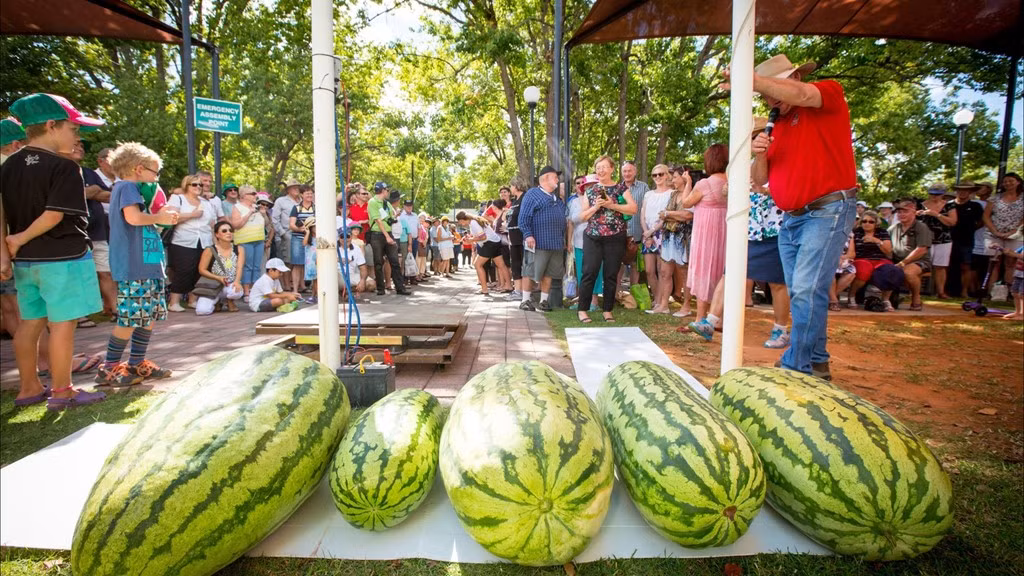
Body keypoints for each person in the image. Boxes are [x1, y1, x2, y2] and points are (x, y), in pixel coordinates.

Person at [726, 53, 858, 380]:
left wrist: (748, 79)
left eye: (772, 90)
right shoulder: (776, 125)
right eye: (764, 95)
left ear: (795, 77)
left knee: (804, 289)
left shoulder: (827, 93)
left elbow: (800, 96)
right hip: (791, 217)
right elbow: (760, 180)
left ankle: (795, 366)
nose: (770, 100)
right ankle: (817, 361)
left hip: (828, 207)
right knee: (804, 290)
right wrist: (759, 154)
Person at [2, 94, 108, 408]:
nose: (77, 136)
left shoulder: (9, 166)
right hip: (63, 258)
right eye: (73, 128)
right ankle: (63, 390)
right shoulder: (65, 167)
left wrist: (5, 251)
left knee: (30, 322)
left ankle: (29, 388)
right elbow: (54, 214)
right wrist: (19, 238)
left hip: (25, 263)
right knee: (62, 324)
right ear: (51, 125)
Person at [98, 141, 179, 388]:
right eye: (155, 172)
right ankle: (110, 367)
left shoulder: (134, 189)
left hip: (148, 265)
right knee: (132, 318)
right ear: (138, 168)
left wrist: (158, 219)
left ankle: (137, 362)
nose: (156, 178)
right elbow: (132, 218)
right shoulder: (127, 187)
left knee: (147, 316)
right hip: (134, 266)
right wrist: (159, 217)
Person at [576, 155, 637, 323]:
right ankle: (583, 310)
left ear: (611, 169)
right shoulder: (591, 190)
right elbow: (582, 217)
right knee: (589, 273)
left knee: (611, 274)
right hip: (593, 237)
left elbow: (633, 209)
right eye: (598, 167)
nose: (601, 170)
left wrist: (611, 205)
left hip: (615, 237)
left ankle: (608, 310)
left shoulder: (620, 188)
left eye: (604, 167)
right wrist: (596, 206)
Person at [681, 144, 728, 327]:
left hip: (706, 232)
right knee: (721, 271)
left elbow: (686, 203)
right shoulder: (731, 181)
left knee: (704, 270)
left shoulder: (704, 183)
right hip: (725, 229)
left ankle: (700, 318)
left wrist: (688, 184)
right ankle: (719, 319)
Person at [518, 166, 568, 312]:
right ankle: (525, 300)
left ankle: (543, 302)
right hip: (537, 242)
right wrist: (528, 234)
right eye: (555, 177)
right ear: (545, 178)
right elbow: (523, 217)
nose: (557, 180)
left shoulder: (556, 198)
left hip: (555, 243)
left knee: (550, 273)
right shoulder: (532, 194)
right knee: (530, 270)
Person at [166, 174, 217, 311]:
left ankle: (192, 299)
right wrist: (192, 215)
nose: (198, 187)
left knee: (199, 271)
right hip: (183, 240)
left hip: (204, 241)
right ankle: (174, 302)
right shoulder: (178, 199)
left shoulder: (206, 203)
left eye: (200, 185)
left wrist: (215, 244)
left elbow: (211, 225)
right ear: (186, 185)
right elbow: (171, 218)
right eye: (194, 184)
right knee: (183, 270)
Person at [80, 146, 116, 316]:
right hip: (76, 233)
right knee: (80, 275)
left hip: (98, 231)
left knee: (106, 271)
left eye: (82, 145)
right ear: (100, 161)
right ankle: (80, 314)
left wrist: (91, 191)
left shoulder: (87, 172)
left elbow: (108, 195)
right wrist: (91, 191)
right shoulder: (58, 169)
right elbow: (66, 194)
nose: (80, 147)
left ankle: (114, 309)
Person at [660, 166, 695, 318]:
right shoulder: (673, 195)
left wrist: (669, 214)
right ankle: (663, 305)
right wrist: (672, 215)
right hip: (669, 236)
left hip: (685, 237)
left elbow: (688, 215)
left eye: (674, 177)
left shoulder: (693, 194)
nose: (672, 180)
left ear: (684, 177)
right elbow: (663, 215)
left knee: (684, 272)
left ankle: (686, 306)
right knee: (664, 271)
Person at [639, 164, 673, 312]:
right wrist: (647, 232)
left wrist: (653, 231)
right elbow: (642, 214)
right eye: (655, 175)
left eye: (660, 174)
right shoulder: (648, 194)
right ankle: (657, 298)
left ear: (666, 175)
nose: (658, 177)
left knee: (662, 269)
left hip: (662, 233)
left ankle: (661, 302)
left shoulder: (672, 193)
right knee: (649, 270)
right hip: (648, 234)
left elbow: (667, 216)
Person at [982, 172, 1023, 290]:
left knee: (1011, 262)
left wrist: (1013, 232)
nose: (1008, 183)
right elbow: (986, 216)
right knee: (994, 262)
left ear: (1018, 182)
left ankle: (1011, 291)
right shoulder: (994, 198)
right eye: (1005, 181)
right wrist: (995, 232)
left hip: (1016, 235)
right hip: (993, 234)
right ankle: (991, 291)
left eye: (1011, 181)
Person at [367, 182, 410, 295]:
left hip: (389, 233)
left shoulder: (387, 203)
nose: (388, 192)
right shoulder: (372, 202)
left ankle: (400, 288)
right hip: (377, 235)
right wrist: (387, 237)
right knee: (378, 262)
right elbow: (378, 221)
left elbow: (391, 217)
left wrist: (396, 215)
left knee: (394, 261)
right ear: (382, 190)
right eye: (387, 190)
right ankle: (381, 288)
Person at [890, 198, 933, 311]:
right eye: (899, 212)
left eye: (905, 211)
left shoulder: (921, 227)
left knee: (908, 272)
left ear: (914, 212)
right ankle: (889, 299)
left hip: (920, 261)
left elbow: (922, 249)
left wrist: (903, 263)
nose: (901, 214)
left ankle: (916, 298)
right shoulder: (893, 228)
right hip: (896, 260)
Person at [847, 210, 895, 308]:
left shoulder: (882, 232)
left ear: (876, 223)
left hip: (880, 260)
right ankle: (851, 296)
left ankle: (885, 299)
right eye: (864, 221)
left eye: (871, 221)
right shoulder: (856, 232)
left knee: (892, 271)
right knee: (864, 269)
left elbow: (888, 250)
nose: (867, 223)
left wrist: (876, 241)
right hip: (861, 259)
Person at [568, 174, 602, 311]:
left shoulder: (603, 200)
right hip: (579, 241)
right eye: (588, 186)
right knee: (582, 271)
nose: (591, 188)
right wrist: (569, 241)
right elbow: (572, 220)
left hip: (598, 241)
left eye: (594, 185)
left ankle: (594, 302)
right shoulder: (575, 202)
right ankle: (583, 301)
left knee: (596, 271)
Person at [195, 221, 245, 315]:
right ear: (217, 234)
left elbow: (240, 267)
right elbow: (202, 270)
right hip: (213, 285)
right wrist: (218, 278)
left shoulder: (239, 249)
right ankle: (218, 301)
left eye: (230, 230)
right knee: (202, 311)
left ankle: (229, 300)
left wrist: (237, 282)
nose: (229, 233)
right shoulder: (210, 250)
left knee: (236, 291)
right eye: (224, 231)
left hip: (230, 284)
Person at [917, 182, 957, 299]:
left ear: (943, 194)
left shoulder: (949, 205)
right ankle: (916, 291)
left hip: (943, 239)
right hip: (924, 239)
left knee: (940, 266)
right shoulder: (921, 204)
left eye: (937, 194)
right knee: (921, 265)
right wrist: (916, 214)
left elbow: (952, 222)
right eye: (932, 194)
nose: (934, 196)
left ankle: (941, 292)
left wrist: (936, 215)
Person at [457, 211, 507, 296]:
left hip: (489, 243)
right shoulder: (475, 221)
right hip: (495, 241)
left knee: (477, 264)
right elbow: (482, 235)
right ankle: (508, 286)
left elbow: (483, 236)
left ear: (462, 219)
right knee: (501, 265)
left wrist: (471, 240)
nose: (460, 224)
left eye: (460, 222)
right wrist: (472, 238)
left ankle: (484, 289)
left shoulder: (473, 223)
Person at [230, 185, 267, 300]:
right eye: (253, 193)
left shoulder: (256, 206)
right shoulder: (237, 207)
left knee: (257, 266)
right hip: (245, 241)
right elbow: (236, 225)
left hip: (259, 240)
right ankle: (246, 292)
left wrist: (263, 214)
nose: (256, 195)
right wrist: (249, 213)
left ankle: (254, 290)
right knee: (247, 266)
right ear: (244, 196)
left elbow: (265, 224)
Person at [949, 182, 986, 297]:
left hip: (967, 239)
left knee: (966, 266)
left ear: (970, 192)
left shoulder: (976, 206)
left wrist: (973, 228)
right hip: (949, 239)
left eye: (966, 190)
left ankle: (964, 291)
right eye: (960, 190)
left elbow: (982, 221)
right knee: (948, 266)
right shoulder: (949, 205)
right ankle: (947, 290)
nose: (962, 192)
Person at [621, 161, 649, 286]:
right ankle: (616, 295)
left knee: (635, 266)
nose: (627, 174)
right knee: (618, 265)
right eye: (625, 171)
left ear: (635, 172)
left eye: (630, 171)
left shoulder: (643, 187)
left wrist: (646, 231)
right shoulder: (617, 188)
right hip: (620, 232)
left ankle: (633, 294)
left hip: (638, 232)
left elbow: (647, 210)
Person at [272, 179, 301, 288]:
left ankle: (298, 284)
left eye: (297, 187)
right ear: (288, 190)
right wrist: (283, 233)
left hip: (301, 235)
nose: (296, 189)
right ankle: (285, 285)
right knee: (286, 261)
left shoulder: (302, 201)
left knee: (298, 262)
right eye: (293, 187)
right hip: (286, 234)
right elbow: (274, 219)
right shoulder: (281, 201)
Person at [287, 185, 315, 292]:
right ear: (302, 195)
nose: (309, 195)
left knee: (312, 263)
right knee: (297, 264)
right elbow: (291, 225)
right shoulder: (296, 208)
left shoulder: (316, 207)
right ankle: (295, 290)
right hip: (298, 238)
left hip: (312, 239)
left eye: (311, 193)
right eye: (307, 193)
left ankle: (312, 289)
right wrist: (301, 229)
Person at [504, 179, 527, 301]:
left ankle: (524, 291)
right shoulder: (515, 201)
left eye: (511, 186)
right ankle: (517, 290)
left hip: (521, 236)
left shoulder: (525, 198)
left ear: (517, 186)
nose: (510, 188)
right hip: (513, 237)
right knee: (515, 264)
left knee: (522, 263)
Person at [338, 223, 368, 297]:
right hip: (337, 275)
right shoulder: (333, 248)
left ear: (351, 237)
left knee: (371, 284)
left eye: (347, 236)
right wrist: (338, 259)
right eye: (342, 236)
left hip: (351, 275)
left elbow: (363, 267)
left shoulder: (356, 248)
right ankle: (344, 290)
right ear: (339, 238)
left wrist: (362, 280)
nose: (345, 239)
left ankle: (347, 290)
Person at [1004, 244, 1024, 320]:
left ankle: (1022, 314)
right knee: (1014, 292)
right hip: (1019, 273)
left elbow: (1017, 255)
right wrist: (999, 248)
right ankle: (1017, 312)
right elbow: (1012, 253)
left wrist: (1014, 254)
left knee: (1022, 295)